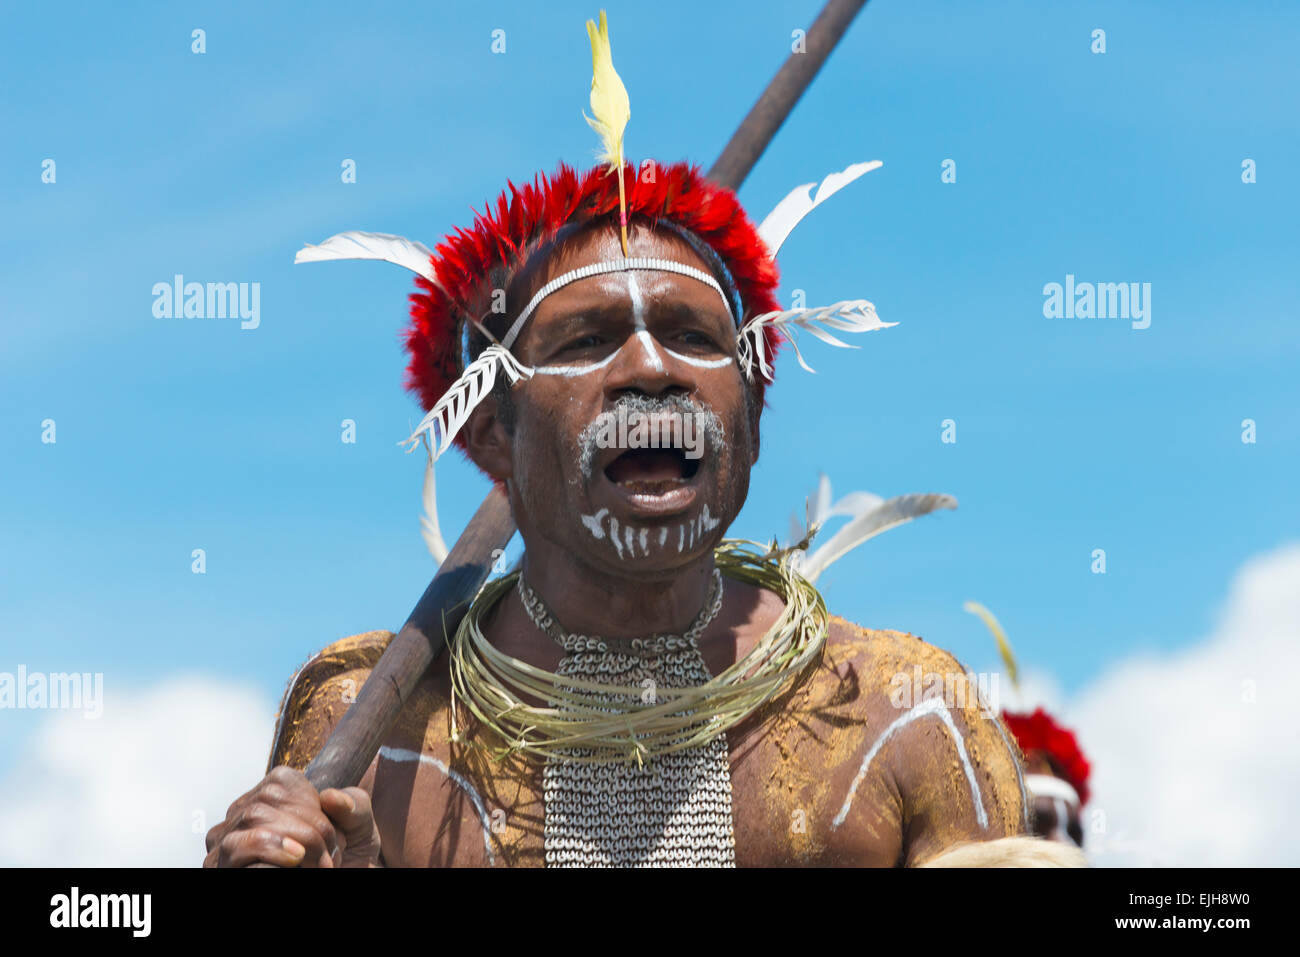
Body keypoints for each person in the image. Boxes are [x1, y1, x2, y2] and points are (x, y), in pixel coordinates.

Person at [204, 11, 1062, 868]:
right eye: (586, 340)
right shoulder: (378, 728)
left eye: (694, 336)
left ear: (753, 420)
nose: (651, 366)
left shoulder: (901, 713)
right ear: (492, 434)